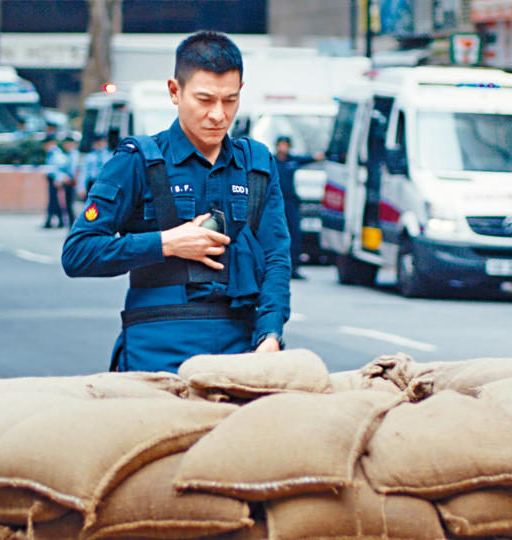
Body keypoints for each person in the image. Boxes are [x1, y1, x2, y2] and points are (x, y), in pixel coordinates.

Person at [62, 31, 291, 373]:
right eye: (205, 99)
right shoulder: (137, 161)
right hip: (156, 349)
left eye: (229, 100)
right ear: (175, 91)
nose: (218, 114)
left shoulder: (257, 165)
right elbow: (77, 253)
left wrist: (270, 334)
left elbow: (276, 258)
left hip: (241, 349)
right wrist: (166, 243)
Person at [274, 135, 325, 279]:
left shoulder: (292, 160)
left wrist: (322, 155)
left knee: (294, 234)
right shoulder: (271, 161)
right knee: (276, 234)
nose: (283, 148)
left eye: (285, 145)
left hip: (291, 202)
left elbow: (310, 158)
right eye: (281, 145)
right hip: (276, 203)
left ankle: (294, 267)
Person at [42, 137, 67, 228]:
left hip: (55, 179)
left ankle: (49, 221)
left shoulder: (56, 153)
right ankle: (59, 220)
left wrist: (57, 179)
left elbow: (58, 167)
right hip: (52, 178)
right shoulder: (51, 153)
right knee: (54, 201)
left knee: (53, 200)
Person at [60, 135, 82, 227]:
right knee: (69, 205)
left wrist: (71, 178)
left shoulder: (74, 155)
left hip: (73, 183)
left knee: (74, 206)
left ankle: (75, 226)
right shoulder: (68, 155)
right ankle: (72, 226)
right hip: (69, 182)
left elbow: (76, 170)